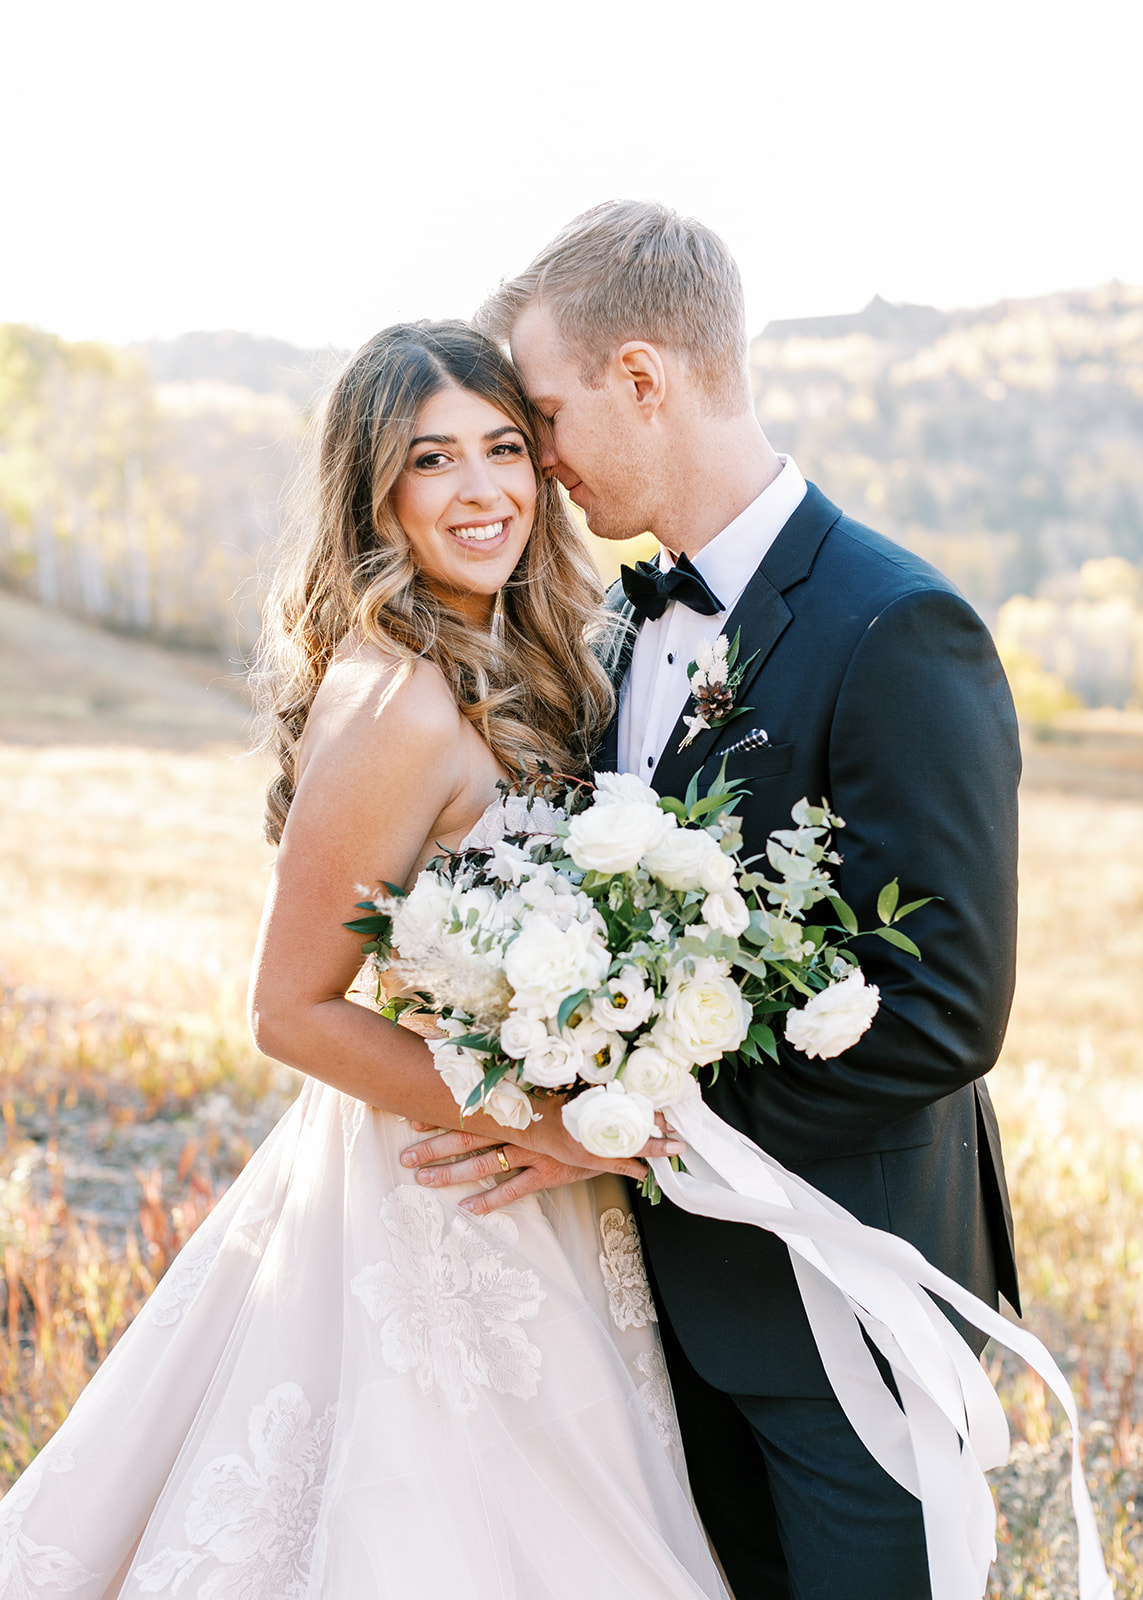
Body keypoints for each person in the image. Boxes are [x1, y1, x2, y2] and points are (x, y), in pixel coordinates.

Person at [0, 322, 731, 1600]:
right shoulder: (398, 700)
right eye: (432, 460)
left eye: (506, 448)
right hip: (439, 1185)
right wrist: (546, 1115)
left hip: (542, 1182)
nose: (482, 490)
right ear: (375, 492)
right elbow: (287, 1008)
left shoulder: (527, 656)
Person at [405, 203, 1022, 1599]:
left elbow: (938, 1014)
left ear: (641, 377)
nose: (537, 458)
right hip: (658, 1321)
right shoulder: (620, 626)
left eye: (545, 412)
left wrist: (632, 1138)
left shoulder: (892, 627)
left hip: (845, 1304)